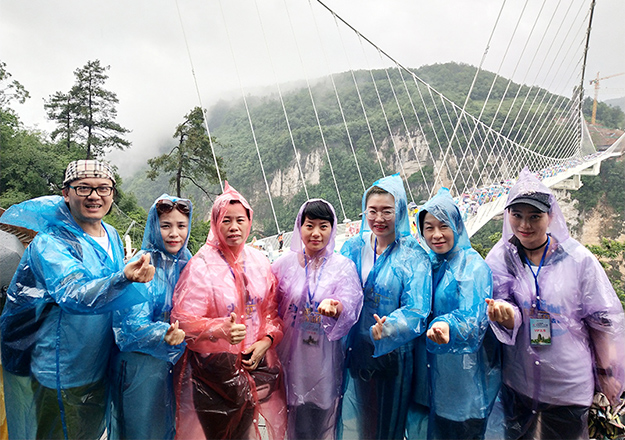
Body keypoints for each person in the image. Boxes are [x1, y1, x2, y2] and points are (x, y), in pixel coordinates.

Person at [0, 160, 155, 440]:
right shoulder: (51, 243)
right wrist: (123, 278)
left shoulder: (111, 234)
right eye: (83, 188)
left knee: (91, 433)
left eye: (103, 188)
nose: (94, 196)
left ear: (112, 194)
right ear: (66, 193)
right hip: (60, 368)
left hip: (97, 361)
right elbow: (74, 294)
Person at [486, 168, 625, 439]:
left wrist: (607, 374)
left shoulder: (578, 260)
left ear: (550, 216)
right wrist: (506, 315)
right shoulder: (501, 258)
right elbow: (503, 302)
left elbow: (601, 321)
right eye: (517, 215)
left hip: (569, 387)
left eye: (534, 216)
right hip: (520, 385)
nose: (524, 225)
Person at [171, 182, 286, 440]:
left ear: (249, 222)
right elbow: (183, 321)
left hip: (255, 363)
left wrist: (266, 341)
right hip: (214, 373)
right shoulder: (201, 265)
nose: (234, 227)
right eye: (226, 220)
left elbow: (271, 312)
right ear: (215, 223)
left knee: (246, 432)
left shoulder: (259, 262)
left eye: (239, 220)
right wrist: (218, 329)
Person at [339, 173, 432, 440]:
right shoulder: (354, 247)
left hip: (395, 354)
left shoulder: (413, 255)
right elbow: (338, 286)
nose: (378, 218)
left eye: (387, 211)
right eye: (372, 211)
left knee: (389, 425)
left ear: (399, 211)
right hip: (358, 349)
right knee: (364, 420)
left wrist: (390, 327)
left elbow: (418, 308)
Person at [272, 199, 363, 440]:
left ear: (332, 229)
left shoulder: (343, 267)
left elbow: (351, 302)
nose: (316, 233)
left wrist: (336, 308)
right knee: (293, 423)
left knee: (319, 422)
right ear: (299, 227)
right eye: (309, 225)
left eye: (323, 226)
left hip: (324, 359)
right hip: (291, 356)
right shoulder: (283, 264)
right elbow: (267, 302)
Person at [416, 188, 501, 439]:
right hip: (430, 384)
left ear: (458, 226)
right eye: (429, 228)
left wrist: (447, 326)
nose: (436, 234)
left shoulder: (472, 266)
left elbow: (473, 319)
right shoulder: (428, 263)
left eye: (444, 226)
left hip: (464, 385)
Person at [109, 195, 192, 440]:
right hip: (140, 366)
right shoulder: (142, 263)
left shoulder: (187, 262)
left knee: (170, 428)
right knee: (140, 430)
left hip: (174, 365)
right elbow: (130, 327)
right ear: (154, 226)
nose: (174, 233)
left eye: (181, 225)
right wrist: (163, 333)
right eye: (166, 225)